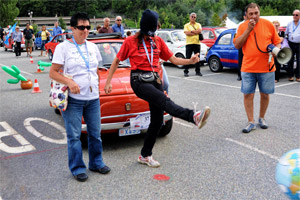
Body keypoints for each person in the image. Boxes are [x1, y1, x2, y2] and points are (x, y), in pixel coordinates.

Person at [104, 9, 211, 168]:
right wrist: (108, 82)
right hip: (138, 80)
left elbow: (174, 59)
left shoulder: (158, 41)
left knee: (157, 120)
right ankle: (192, 116)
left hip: (155, 79)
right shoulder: (130, 41)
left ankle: (145, 155)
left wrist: (190, 61)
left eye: (152, 32)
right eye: (148, 32)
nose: (150, 35)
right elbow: (116, 61)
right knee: (165, 101)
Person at [49, 12, 110, 182]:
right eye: (81, 27)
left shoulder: (92, 47)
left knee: (95, 133)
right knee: (74, 136)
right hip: (74, 100)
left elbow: (95, 68)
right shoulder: (63, 47)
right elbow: (53, 73)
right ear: (72, 28)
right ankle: (77, 167)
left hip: (93, 98)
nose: (85, 31)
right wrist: (69, 81)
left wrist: (99, 83)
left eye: (88, 27)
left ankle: (96, 162)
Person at [233, 3, 281, 133]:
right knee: (248, 94)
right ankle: (251, 121)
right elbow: (237, 45)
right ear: (246, 15)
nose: (254, 16)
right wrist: (248, 30)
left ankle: (262, 118)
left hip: (267, 67)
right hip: (248, 67)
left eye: (256, 13)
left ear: (259, 12)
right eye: (251, 14)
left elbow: (277, 41)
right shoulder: (242, 26)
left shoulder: (268, 24)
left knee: (265, 94)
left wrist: (277, 50)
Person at [183, 12, 202, 77]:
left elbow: (200, 31)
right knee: (187, 58)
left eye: (194, 17)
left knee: (197, 58)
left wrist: (191, 31)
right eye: (192, 17)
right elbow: (186, 33)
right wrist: (194, 32)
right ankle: (186, 71)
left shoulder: (198, 24)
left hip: (197, 43)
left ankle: (198, 71)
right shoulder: (186, 25)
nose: (193, 18)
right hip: (189, 44)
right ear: (190, 17)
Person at [285, 9, 300, 82]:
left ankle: (298, 76)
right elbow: (286, 33)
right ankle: (290, 76)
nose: (294, 16)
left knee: (299, 60)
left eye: (296, 15)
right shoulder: (289, 23)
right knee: (290, 59)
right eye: (293, 15)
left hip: (299, 44)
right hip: (291, 43)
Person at [236, 13, 247, 81]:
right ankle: (239, 75)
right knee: (241, 60)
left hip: (248, 45)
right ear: (244, 17)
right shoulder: (240, 25)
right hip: (242, 44)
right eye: (246, 16)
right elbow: (237, 35)